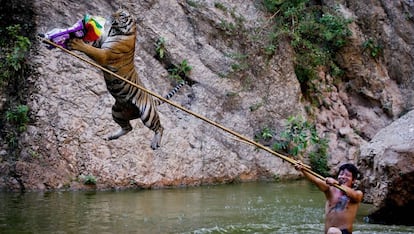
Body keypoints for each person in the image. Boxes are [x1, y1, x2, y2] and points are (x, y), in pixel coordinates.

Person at [295, 162, 363, 234]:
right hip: (328, 232)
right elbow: (315, 180)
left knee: (332, 231)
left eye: (347, 175)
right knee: (331, 231)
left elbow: (353, 195)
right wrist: (302, 169)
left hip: (343, 232)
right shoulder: (330, 190)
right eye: (341, 174)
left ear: (353, 180)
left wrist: (336, 183)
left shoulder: (358, 193)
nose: (343, 177)